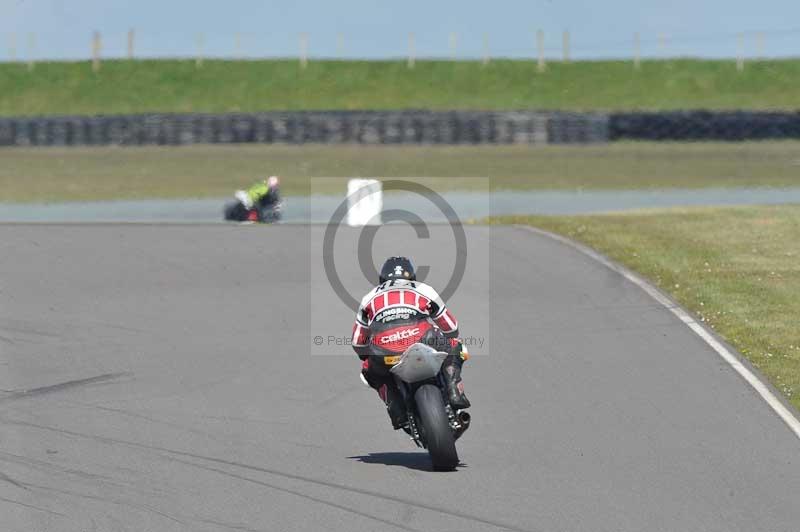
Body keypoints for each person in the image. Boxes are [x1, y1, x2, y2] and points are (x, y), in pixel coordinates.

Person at [351, 256, 470, 429]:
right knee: (455, 345)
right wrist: (448, 335)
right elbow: (452, 327)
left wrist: (366, 356)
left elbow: (357, 342)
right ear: (411, 276)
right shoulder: (425, 289)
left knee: (369, 371)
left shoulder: (369, 297)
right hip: (423, 338)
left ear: (382, 279)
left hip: (384, 350)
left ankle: (396, 408)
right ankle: (454, 389)